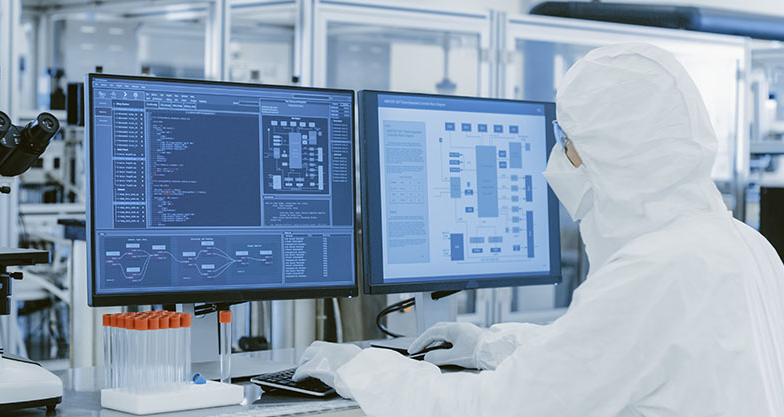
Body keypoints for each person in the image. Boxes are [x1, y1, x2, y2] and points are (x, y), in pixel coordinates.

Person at [293, 43, 784, 416]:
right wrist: (488, 345)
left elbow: (496, 408)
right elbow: (607, 356)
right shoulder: (741, 245)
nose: (559, 160)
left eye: (568, 141)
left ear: (611, 153)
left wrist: (360, 369)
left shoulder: (653, 271)